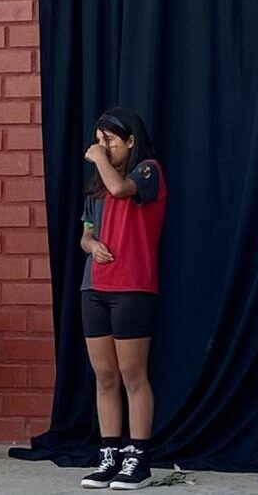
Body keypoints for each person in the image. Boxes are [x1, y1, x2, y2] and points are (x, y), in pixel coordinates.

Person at [78, 108, 167, 490]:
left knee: (133, 375)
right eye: (99, 140)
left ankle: (139, 457)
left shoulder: (148, 170)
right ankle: (109, 453)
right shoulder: (98, 183)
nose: (102, 147)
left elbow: (120, 189)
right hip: (94, 287)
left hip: (132, 286)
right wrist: (91, 243)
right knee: (105, 375)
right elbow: (85, 232)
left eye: (110, 140)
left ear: (129, 141)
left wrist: (98, 158)